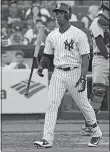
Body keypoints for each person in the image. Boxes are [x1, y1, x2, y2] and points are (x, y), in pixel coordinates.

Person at [34, 2, 102, 148]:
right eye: (56, 12)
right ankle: (47, 139)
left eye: (61, 12)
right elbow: (47, 56)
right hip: (58, 72)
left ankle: (96, 132)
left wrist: (83, 76)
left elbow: (85, 57)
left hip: (75, 72)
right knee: (51, 105)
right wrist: (41, 65)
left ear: (68, 14)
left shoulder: (79, 34)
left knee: (83, 105)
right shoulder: (52, 35)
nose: (57, 15)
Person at [81, 0, 110, 136]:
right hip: (102, 58)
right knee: (98, 92)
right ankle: (89, 124)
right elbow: (100, 42)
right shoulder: (97, 21)